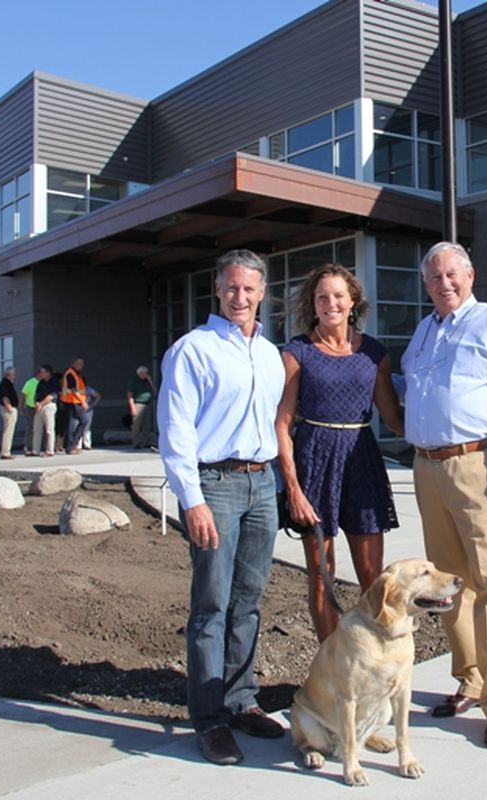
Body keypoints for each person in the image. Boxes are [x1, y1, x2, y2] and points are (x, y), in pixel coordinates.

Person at [399, 241, 487, 750]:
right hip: (428, 467)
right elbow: (411, 389)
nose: (444, 284)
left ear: (470, 274)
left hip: (480, 465)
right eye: (435, 278)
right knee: (447, 585)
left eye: (452, 274)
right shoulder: (423, 332)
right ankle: (472, 679)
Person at [157, 249, 286, 766]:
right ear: (217, 287)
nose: (240, 297)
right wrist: (192, 499)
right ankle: (209, 720)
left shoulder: (270, 353)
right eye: (232, 287)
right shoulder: (193, 350)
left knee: (249, 602)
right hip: (216, 485)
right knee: (211, 606)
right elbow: (175, 431)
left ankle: (240, 700)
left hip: (261, 485)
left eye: (249, 289)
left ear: (262, 293)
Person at [274, 263, 404, 642]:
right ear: (313, 305)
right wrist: (293, 489)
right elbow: (281, 424)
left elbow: (395, 421)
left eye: (338, 296)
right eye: (322, 297)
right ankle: (330, 664)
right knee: (320, 574)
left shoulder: (375, 354)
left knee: (372, 575)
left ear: (353, 301)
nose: (330, 303)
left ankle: (373, 658)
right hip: (314, 462)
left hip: (361, 463)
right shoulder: (297, 352)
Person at [61, 357, 89, 455]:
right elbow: (73, 390)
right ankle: (71, 446)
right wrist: (83, 402)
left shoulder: (78, 375)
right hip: (72, 402)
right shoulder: (70, 374)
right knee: (75, 423)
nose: (82, 366)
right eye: (80, 363)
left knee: (79, 422)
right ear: (74, 364)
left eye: (82, 364)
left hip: (75, 402)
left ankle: (73, 444)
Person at [126, 365, 156, 448]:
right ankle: (136, 442)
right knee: (137, 424)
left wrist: (150, 380)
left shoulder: (147, 381)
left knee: (147, 424)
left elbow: (155, 391)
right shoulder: (134, 382)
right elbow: (129, 395)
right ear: (140, 373)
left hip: (148, 404)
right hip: (138, 403)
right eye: (145, 373)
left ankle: (145, 442)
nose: (146, 374)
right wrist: (132, 408)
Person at [31, 364, 58, 457]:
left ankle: (50, 450)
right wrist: (37, 403)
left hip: (49, 406)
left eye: (43, 372)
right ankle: (35, 450)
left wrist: (41, 404)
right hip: (39, 406)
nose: (41, 373)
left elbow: (52, 396)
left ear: (48, 373)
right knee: (36, 429)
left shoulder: (54, 382)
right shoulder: (40, 383)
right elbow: (36, 395)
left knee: (49, 429)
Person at [0, 367, 19, 460]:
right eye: (13, 374)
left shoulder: (7, 383)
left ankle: (6, 451)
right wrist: (9, 407)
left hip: (9, 408)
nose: (15, 376)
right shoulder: (5, 383)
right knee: (8, 431)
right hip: (8, 409)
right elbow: (5, 396)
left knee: (9, 430)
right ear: (9, 374)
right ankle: (5, 452)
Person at [20, 370, 40, 455]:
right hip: (31, 407)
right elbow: (23, 395)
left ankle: (38, 446)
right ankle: (28, 447)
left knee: (38, 428)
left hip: (40, 407)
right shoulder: (30, 382)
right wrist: (21, 407)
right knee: (30, 427)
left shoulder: (43, 383)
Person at [81, 385, 101, 449]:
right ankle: (78, 445)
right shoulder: (75, 389)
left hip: (87, 409)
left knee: (87, 426)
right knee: (77, 426)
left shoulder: (88, 389)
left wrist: (93, 405)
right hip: (78, 408)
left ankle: (87, 444)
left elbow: (98, 395)